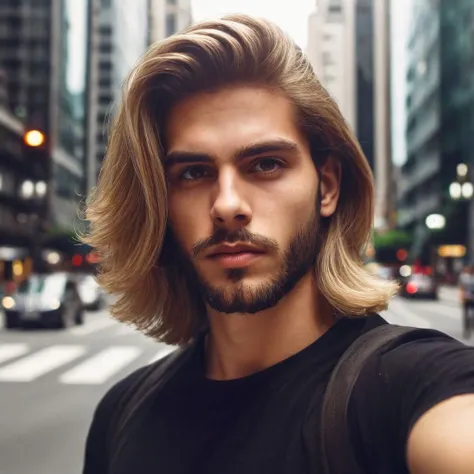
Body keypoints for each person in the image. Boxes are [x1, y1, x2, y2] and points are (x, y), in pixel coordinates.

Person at [82, 15, 474, 474]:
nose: (227, 205)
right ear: (159, 206)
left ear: (326, 187)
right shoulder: (121, 414)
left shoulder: (413, 389)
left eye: (265, 164)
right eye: (192, 173)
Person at [458, 264, 474, 338]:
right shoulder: (465, 277)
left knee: (472, 316)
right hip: (467, 298)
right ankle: (466, 329)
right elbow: (462, 288)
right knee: (466, 316)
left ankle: (470, 328)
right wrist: (461, 297)